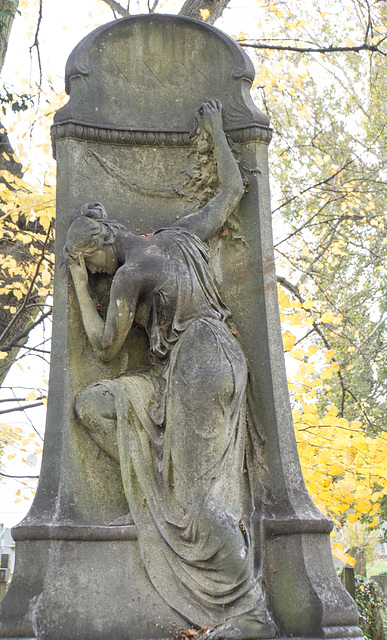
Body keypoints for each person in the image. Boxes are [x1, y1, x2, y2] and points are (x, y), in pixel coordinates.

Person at [65, 101, 277, 639]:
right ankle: (152, 492)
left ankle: (250, 613)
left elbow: (105, 346)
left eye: (88, 265)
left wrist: (75, 287)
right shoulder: (181, 233)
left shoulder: (129, 274)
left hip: (199, 364)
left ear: (101, 247)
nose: (90, 275)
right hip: (208, 362)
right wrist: (215, 130)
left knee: (203, 503)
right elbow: (231, 192)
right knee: (94, 405)